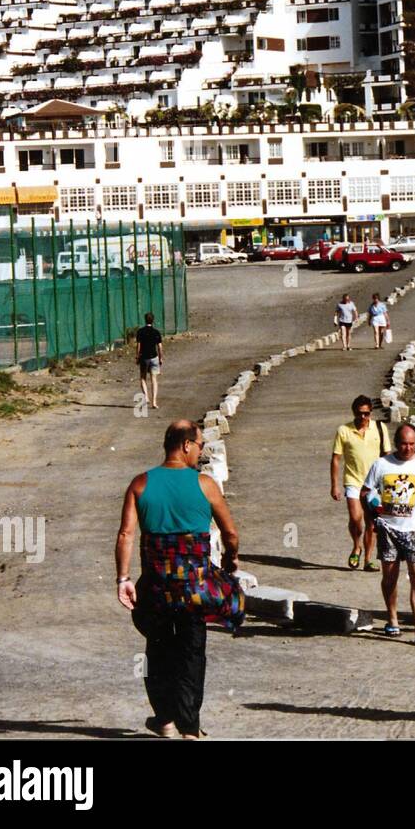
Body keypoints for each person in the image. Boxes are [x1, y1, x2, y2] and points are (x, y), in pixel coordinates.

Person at [116, 420, 244, 739]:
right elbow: (230, 533)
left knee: (157, 651)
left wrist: (123, 578)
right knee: (191, 653)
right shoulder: (205, 485)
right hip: (194, 590)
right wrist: (231, 558)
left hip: (156, 588)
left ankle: (164, 719)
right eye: (200, 446)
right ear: (186, 445)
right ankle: (190, 727)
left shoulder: (141, 484)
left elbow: (125, 535)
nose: (200, 454)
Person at [360, 422, 415, 646]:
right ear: (396, 444)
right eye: (404, 444)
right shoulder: (381, 465)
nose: (408, 448)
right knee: (390, 577)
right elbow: (365, 492)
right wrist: (372, 517)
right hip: (388, 528)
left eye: (412, 444)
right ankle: (393, 617)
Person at [331, 395, 391, 571]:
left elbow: (387, 456)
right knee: (356, 518)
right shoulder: (344, 430)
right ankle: (356, 545)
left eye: (366, 414)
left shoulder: (380, 428)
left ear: (371, 413)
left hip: (374, 484)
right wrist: (334, 485)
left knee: (371, 522)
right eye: (359, 414)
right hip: (353, 481)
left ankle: (367, 559)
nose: (363, 418)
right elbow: (336, 459)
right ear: (354, 412)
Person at [136, 312, 163, 411]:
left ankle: (146, 397)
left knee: (143, 378)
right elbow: (160, 347)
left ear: (145, 320)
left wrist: (137, 356)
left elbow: (138, 346)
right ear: (153, 320)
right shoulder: (156, 332)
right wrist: (160, 358)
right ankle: (154, 402)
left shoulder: (140, 332)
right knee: (154, 380)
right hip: (154, 357)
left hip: (144, 357)